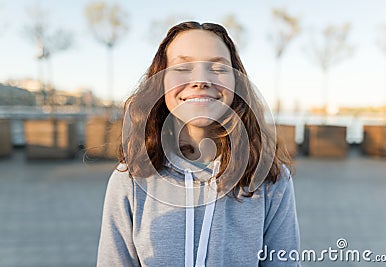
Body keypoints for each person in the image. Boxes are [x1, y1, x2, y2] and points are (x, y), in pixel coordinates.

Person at [97, 21, 300, 267]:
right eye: (183, 67)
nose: (201, 80)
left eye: (218, 68)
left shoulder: (271, 181)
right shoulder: (131, 181)